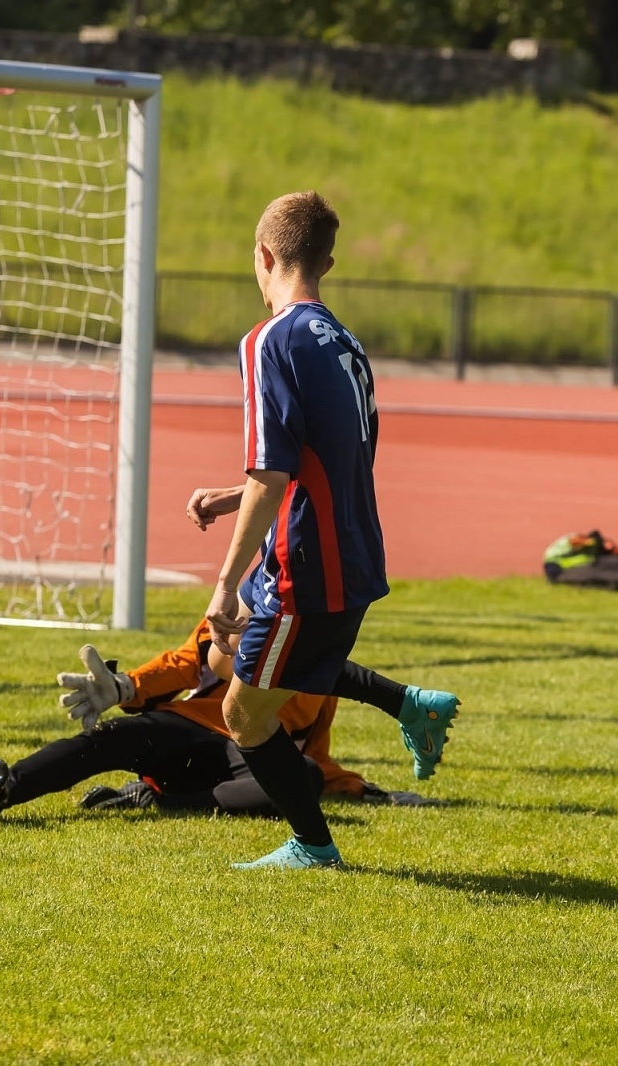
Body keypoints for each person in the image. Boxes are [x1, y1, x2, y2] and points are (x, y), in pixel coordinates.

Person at [181, 190, 455, 871]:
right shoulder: (346, 343)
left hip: (306, 566)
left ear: (263, 255)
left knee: (246, 712)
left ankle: (313, 843)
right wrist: (228, 496)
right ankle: (410, 706)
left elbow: (275, 474)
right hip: (353, 555)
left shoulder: (269, 338)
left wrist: (219, 584)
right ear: (326, 261)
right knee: (257, 659)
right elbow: (321, 457)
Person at [0, 617, 454, 818]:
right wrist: (126, 686)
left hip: (244, 753)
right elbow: (185, 662)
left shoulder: (319, 667)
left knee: (296, 778)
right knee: (109, 740)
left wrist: (366, 791)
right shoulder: (237, 608)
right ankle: (3, 789)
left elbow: (312, 757)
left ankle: (161, 800)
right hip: (189, 728)